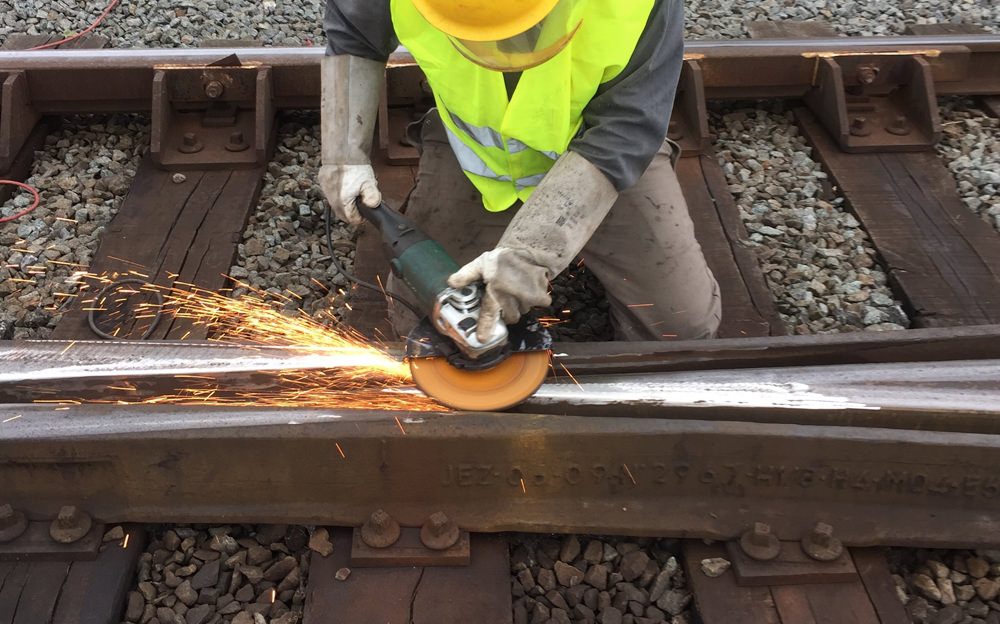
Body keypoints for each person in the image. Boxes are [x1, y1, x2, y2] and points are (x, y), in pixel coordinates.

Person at [319, 0, 721, 342]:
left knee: (682, 328)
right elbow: (354, 32)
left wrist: (531, 250)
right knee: (422, 321)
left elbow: (626, 127)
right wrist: (343, 152)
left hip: (602, 150)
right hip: (477, 158)